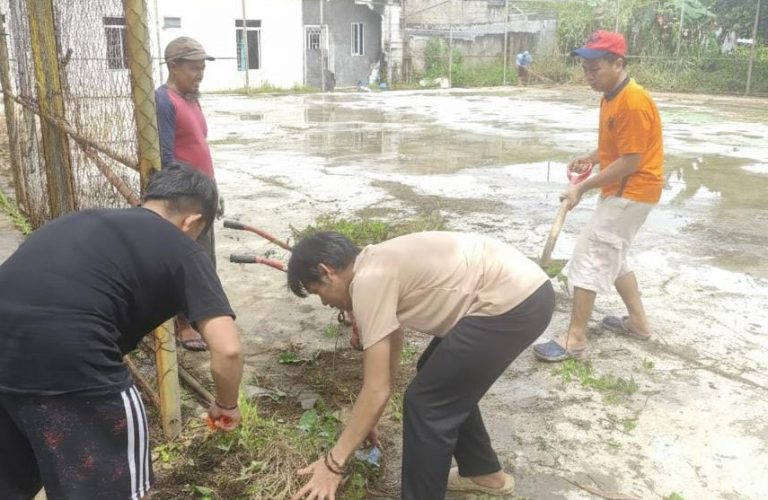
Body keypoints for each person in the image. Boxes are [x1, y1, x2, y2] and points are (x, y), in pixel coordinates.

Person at [0, 165, 244, 499]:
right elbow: (228, 349)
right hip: (76, 366)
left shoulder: (78, 220)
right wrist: (226, 404)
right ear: (193, 221)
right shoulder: (182, 247)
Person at [287, 231, 555, 499]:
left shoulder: (369, 282)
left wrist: (333, 465)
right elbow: (388, 353)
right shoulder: (374, 262)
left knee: (427, 404)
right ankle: (483, 473)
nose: (324, 302)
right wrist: (369, 417)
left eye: (317, 292)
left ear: (326, 272)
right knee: (438, 377)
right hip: (521, 291)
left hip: (513, 302)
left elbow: (376, 388)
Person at [532, 31, 664, 362]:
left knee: (590, 256)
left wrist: (582, 187)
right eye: (585, 69)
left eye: (595, 69)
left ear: (618, 63)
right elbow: (620, 146)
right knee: (614, 254)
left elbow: (630, 161)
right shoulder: (611, 96)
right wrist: (592, 157)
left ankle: (575, 338)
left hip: (631, 192)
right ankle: (638, 323)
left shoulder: (632, 101)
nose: (588, 76)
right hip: (627, 190)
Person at [156, 36, 218, 351]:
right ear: (173, 66)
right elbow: (167, 156)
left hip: (204, 192)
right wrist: (181, 200)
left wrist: (213, 191)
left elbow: (198, 146)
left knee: (205, 260)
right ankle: (182, 322)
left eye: (202, 68)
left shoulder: (192, 98)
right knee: (185, 260)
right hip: (185, 197)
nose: (200, 74)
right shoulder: (164, 101)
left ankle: (201, 314)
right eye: (194, 68)